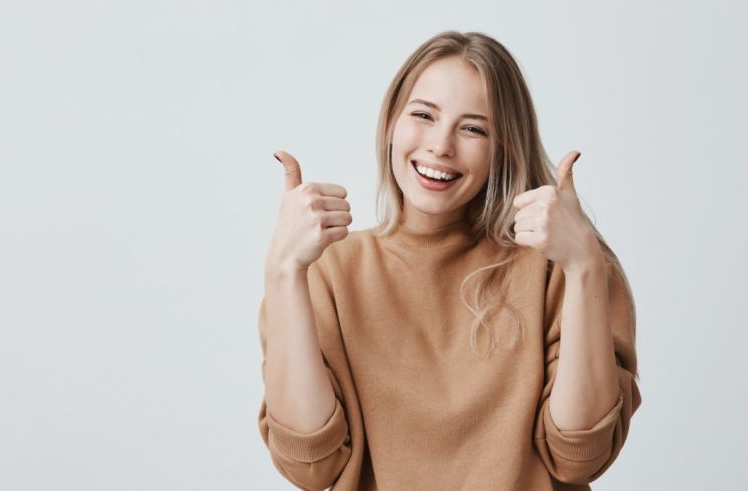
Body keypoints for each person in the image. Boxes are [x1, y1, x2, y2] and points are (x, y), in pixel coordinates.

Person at [256, 30, 641, 491]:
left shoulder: (562, 267)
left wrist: (583, 270)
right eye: (423, 115)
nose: (441, 145)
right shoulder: (328, 271)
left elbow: (579, 456)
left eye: (473, 127)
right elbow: (311, 466)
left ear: (503, 147)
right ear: (389, 126)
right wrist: (282, 272)